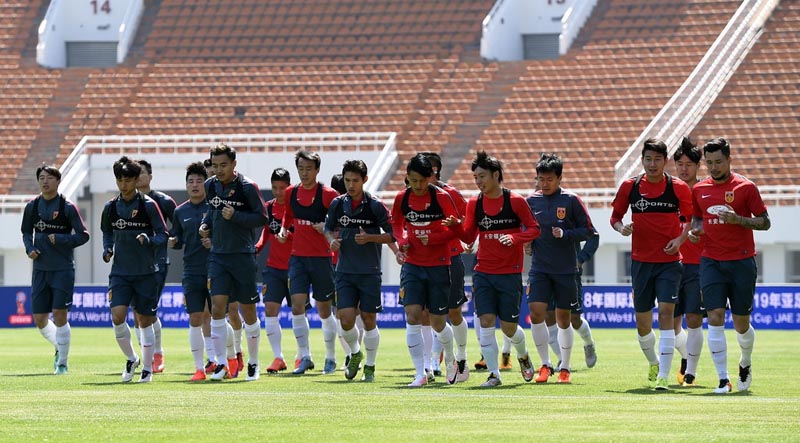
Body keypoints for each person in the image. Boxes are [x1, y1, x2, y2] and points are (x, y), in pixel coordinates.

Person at [447, 151, 541, 387]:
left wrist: (516, 238)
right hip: (483, 272)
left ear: (496, 175)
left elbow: (534, 229)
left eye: (482, 176)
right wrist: (456, 227)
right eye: (475, 177)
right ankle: (493, 374)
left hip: (509, 273)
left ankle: (523, 355)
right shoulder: (474, 203)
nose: (478, 182)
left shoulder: (515, 201)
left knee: (509, 328)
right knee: (486, 321)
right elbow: (468, 236)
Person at [688, 137, 770, 394]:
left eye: (718, 162)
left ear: (729, 160)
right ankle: (723, 379)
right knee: (714, 317)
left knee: (741, 323)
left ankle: (745, 362)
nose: (713, 167)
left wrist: (738, 219)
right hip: (711, 260)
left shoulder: (746, 187)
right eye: (709, 162)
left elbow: (765, 222)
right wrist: (695, 231)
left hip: (742, 261)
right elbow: (697, 218)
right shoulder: (699, 189)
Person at [610, 138, 693, 390]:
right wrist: (622, 228)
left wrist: (679, 240)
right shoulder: (630, 186)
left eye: (658, 159)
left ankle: (664, 377)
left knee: (667, 315)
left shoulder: (677, 188)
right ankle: (654, 362)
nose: (653, 164)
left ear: (665, 161)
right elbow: (615, 218)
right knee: (643, 324)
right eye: (648, 159)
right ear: (642, 160)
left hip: (669, 262)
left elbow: (690, 221)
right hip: (640, 263)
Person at [392, 154, 464, 387]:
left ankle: (451, 359)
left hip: (439, 264)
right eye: (414, 181)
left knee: (438, 322)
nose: (418, 186)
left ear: (430, 178)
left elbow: (456, 230)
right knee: (412, 315)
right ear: (408, 178)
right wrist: (403, 239)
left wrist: (432, 238)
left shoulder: (441, 198)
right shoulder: (402, 198)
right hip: (413, 264)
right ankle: (420, 372)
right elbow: (396, 224)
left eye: (422, 181)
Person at [199, 143, 267, 381]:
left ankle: (253, 363)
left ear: (234, 164)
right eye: (215, 165)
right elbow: (212, 212)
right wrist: (206, 224)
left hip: (243, 256)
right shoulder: (210, 185)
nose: (219, 170)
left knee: (248, 311)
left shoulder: (248, 187)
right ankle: (220, 363)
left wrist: (236, 216)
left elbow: (262, 217)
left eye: (223, 165)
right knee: (218, 308)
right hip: (218, 256)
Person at [525, 153, 593, 384]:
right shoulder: (531, 201)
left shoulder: (571, 201)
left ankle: (565, 367)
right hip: (540, 269)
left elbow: (588, 231)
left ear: (559, 178)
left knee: (564, 318)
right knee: (536, 313)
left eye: (549, 180)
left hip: (566, 270)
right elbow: (527, 229)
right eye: (541, 179)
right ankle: (545, 365)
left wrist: (566, 234)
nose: (545, 184)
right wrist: (527, 242)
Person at [325, 160, 394, 382]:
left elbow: (394, 234)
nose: (351, 185)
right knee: (344, 319)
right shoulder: (337, 204)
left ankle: (371, 367)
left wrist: (371, 238)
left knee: (368, 318)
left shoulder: (375, 205)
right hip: (344, 271)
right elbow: (328, 229)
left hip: (369, 271)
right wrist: (331, 241)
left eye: (355, 180)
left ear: (365, 180)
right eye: (347, 180)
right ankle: (356, 353)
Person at [100, 157, 168, 383]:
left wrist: (148, 240)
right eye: (120, 180)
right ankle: (132, 358)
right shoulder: (110, 207)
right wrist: (108, 248)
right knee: (117, 315)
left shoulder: (148, 205)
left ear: (136, 180)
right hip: (120, 272)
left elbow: (163, 235)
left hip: (146, 271)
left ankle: (147, 368)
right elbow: (107, 233)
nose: (123, 184)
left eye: (128, 180)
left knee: (144, 319)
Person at [21, 165, 90, 375]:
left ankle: (62, 363)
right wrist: (30, 248)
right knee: (40, 320)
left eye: (49, 178)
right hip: (40, 269)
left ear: (57, 181)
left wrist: (61, 239)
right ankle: (59, 347)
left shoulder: (67, 207)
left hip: (62, 269)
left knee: (60, 314)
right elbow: (25, 232)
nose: (45, 181)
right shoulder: (32, 207)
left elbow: (83, 235)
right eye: (41, 177)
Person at [278, 150, 341, 375]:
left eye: (308, 169)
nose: (304, 173)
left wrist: (326, 227)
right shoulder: (291, 192)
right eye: (301, 168)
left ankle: (331, 357)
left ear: (317, 170)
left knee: (324, 309)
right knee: (297, 307)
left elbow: (339, 221)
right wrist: (285, 229)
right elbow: (287, 216)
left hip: (322, 259)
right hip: (298, 258)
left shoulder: (328, 194)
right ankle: (304, 356)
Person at [421, 152, 471, 382]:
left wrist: (467, 239)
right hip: (423, 261)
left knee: (453, 312)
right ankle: (431, 361)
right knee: (426, 315)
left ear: (436, 171)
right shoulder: (411, 196)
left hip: (450, 258)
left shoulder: (451, 194)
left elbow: (468, 221)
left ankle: (460, 357)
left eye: (427, 170)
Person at [169, 161, 212, 381]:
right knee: (195, 317)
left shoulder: (213, 206)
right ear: (186, 185)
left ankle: (220, 359)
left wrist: (212, 242)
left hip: (216, 268)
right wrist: (173, 241)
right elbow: (176, 239)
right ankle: (199, 368)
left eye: (199, 181)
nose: (194, 185)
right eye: (191, 181)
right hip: (192, 270)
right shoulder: (180, 211)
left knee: (218, 316)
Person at [134, 159, 177, 373]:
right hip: (131, 264)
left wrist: (174, 238)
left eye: (142, 173)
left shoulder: (163, 201)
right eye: (136, 173)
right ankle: (145, 354)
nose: (139, 177)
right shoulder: (125, 203)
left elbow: (178, 225)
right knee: (136, 311)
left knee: (148, 311)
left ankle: (157, 353)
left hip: (157, 261)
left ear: (150, 176)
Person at [254, 167, 296, 374]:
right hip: (273, 268)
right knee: (270, 311)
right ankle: (278, 357)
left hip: (296, 267)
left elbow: (306, 236)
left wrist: (288, 236)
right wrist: (257, 248)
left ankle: (303, 356)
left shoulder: (296, 208)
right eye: (274, 187)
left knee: (299, 312)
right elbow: (265, 233)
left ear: (289, 186)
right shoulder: (268, 208)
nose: (278, 192)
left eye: (282, 187)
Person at [672, 137, 706, 386]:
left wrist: (699, 230)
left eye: (689, 165)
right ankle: (686, 357)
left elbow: (708, 220)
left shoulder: (704, 191)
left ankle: (690, 372)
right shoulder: (668, 191)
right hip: (670, 264)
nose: (684, 169)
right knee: (670, 323)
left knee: (693, 319)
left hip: (698, 263)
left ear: (697, 166)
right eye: (680, 164)